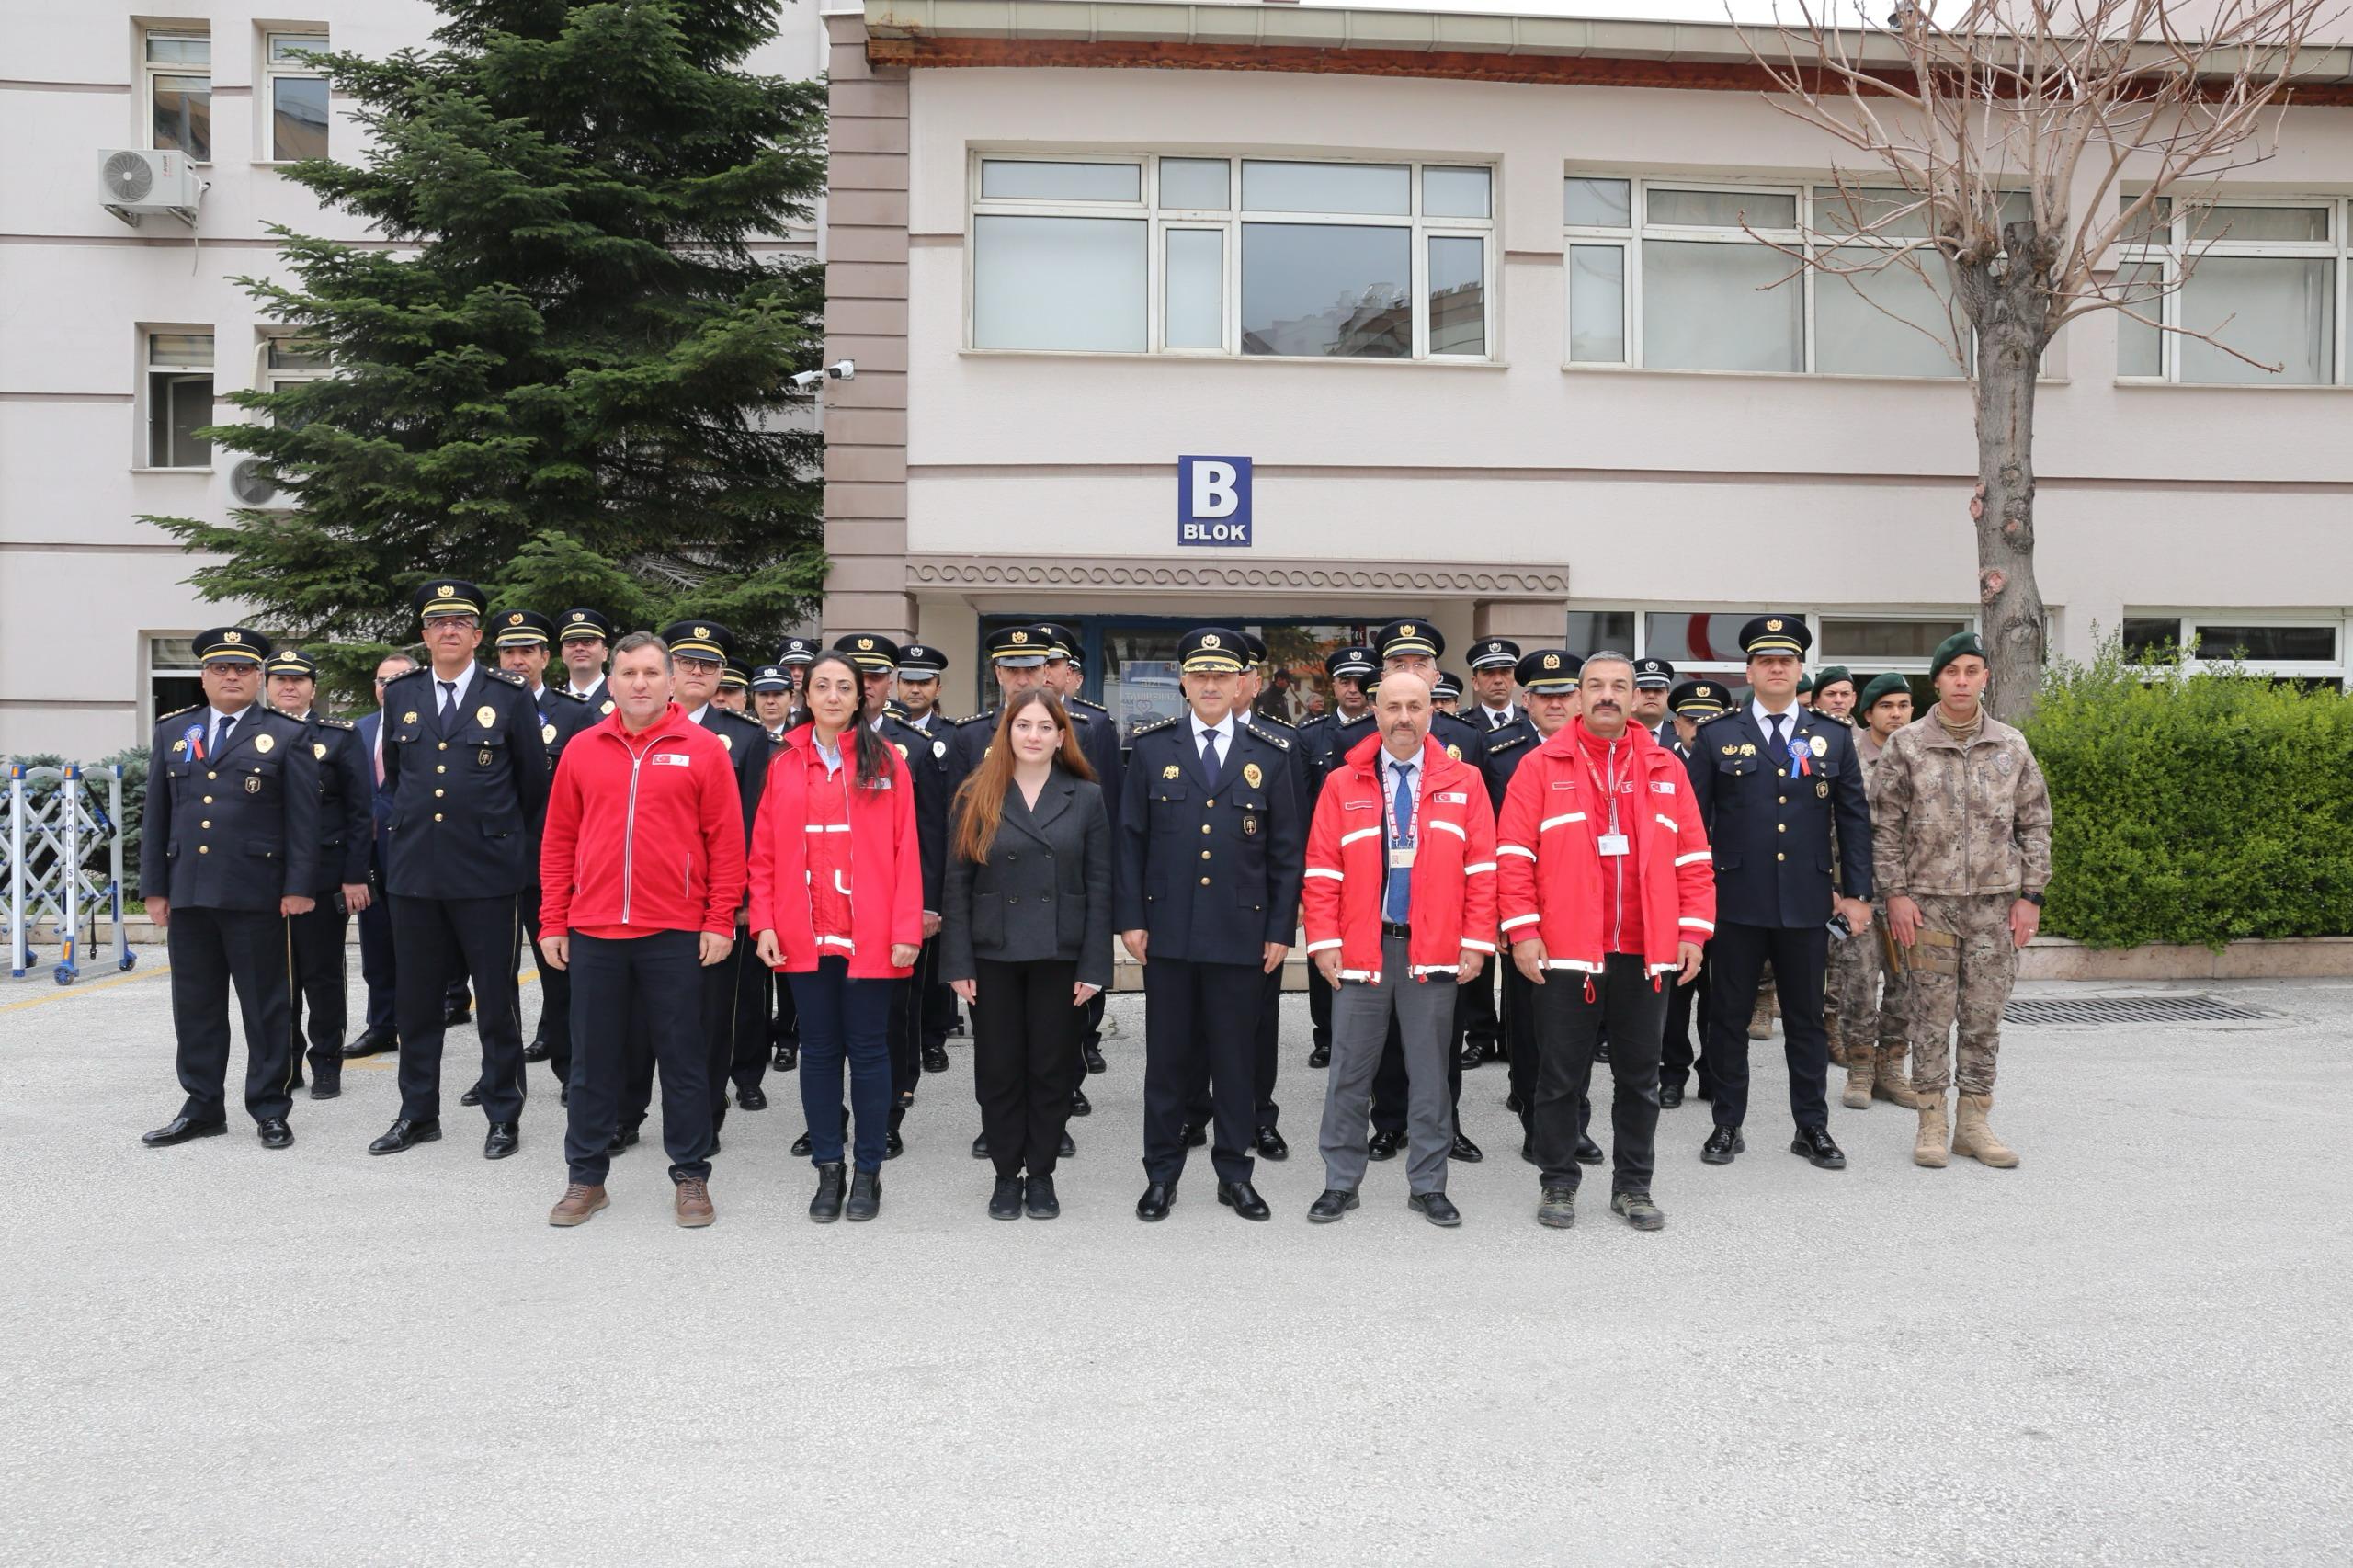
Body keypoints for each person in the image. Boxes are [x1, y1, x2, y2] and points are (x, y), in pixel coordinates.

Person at [1499, 653, 1716, 1232]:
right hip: (1567, 952)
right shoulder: (1539, 766)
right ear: (1577, 695)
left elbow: (1694, 861)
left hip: (1648, 954)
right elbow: (1514, 859)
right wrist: (1522, 931)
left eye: (1619, 686)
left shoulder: (1667, 768)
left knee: (1640, 1079)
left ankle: (1633, 1186)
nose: (1606, 696)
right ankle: (1558, 1182)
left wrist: (1693, 932)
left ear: (1635, 696)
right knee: (1560, 1076)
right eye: (1595, 686)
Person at [537, 631, 744, 1228]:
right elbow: (558, 842)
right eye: (629, 673)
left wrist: (718, 918)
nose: (641, 683)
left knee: (683, 1060)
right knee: (592, 1062)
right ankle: (586, 1179)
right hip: (596, 931)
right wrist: (554, 918)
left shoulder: (703, 749)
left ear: (672, 679)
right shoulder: (582, 748)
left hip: (675, 933)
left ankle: (691, 1176)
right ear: (612, 679)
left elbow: (726, 844)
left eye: (652, 673)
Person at [1119, 627, 1304, 1223]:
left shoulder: (1269, 757)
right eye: (1200, 674)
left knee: (1235, 1063)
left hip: (1242, 935)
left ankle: (1234, 1173)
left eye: (1221, 675)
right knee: (1167, 1063)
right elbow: (1130, 843)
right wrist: (1131, 919)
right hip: (1168, 933)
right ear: (1183, 681)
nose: (1210, 684)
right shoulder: (1149, 750)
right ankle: (1161, 1174)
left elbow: (1285, 854)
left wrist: (1281, 929)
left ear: (1240, 682)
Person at [1302, 671, 1495, 1226]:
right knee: (1348, 1073)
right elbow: (1321, 871)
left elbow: (1482, 870)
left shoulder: (1467, 782)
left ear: (1431, 711)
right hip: (1364, 948)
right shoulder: (1343, 782)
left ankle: (1429, 1185)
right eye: (1393, 707)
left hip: (1432, 950)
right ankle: (1341, 1182)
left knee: (1432, 1074)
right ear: (1376, 713)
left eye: (1415, 706)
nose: (1404, 717)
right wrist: (1324, 943)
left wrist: (1476, 943)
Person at [369, 582, 551, 1161]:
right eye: (437, 621)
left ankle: (503, 1114)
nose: (449, 630)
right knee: (417, 1003)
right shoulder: (403, 694)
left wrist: (500, 845)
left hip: (487, 876)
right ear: (425, 636)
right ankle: (417, 1113)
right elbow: (396, 779)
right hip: (416, 872)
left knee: (497, 1001)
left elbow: (531, 785)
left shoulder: (511, 694)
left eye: (460, 622)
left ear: (478, 636)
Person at [1688, 616, 1874, 1173]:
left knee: (1806, 1018)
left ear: (1799, 670)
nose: (1775, 668)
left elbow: (1855, 820)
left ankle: (1811, 1127)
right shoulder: (1718, 734)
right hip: (1736, 900)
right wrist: (1694, 898)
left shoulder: (1832, 735)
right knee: (1728, 1017)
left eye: (1786, 661)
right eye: (1765, 660)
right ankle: (1727, 1123)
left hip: (1805, 900)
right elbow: (1695, 824)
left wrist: (1858, 893)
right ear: (1749, 671)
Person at [750, 650, 925, 1222]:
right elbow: (765, 852)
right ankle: (829, 1168)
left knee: (871, 1054)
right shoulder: (782, 763)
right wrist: (766, 922)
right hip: (804, 930)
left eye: (843, 687)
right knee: (819, 1053)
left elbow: (906, 852)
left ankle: (869, 1172)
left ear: (860, 697)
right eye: (821, 686)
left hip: (870, 934)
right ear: (808, 696)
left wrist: (906, 929)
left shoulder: (888, 762)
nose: (831, 696)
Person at [1871, 634, 2052, 1169]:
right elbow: (1884, 827)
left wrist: (2032, 895)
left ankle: (1974, 1121)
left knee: (1983, 1016)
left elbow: (2035, 821)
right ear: (1937, 680)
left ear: (1985, 678)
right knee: (1929, 1016)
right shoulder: (1906, 745)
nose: (1962, 681)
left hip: (1996, 906)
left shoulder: (2011, 745)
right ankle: (1932, 1120)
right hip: (1928, 905)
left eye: (1972, 671)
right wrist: (1896, 895)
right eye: (1952, 672)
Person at [139, 628, 322, 1149]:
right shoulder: (175, 731)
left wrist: (299, 887)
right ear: (203, 677)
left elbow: (304, 822)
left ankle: (269, 1108)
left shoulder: (286, 734)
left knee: (266, 1007)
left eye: (242, 669)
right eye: (221, 668)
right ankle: (201, 1107)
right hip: (191, 891)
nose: (232, 676)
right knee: (195, 1006)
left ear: (258, 677)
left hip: (257, 893)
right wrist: (155, 887)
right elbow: (159, 815)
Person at [940, 689, 1113, 1220]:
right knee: (998, 1069)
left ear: (1062, 737)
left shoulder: (1085, 796)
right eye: (1023, 726)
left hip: (1059, 953)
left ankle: (1040, 1175)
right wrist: (958, 962)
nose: (1033, 736)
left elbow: (1101, 884)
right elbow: (957, 883)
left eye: (1044, 727)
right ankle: (1004, 1174)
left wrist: (1094, 966)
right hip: (993, 952)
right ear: (1007, 733)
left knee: (1051, 1068)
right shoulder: (977, 792)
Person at [1358, 620, 1489, 1162]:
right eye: (1397, 665)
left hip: (1441, 916)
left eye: (1420, 665)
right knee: (1384, 1029)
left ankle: (1444, 1121)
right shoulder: (1359, 746)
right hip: (1376, 913)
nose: (1409, 673)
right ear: (1382, 680)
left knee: (1442, 1029)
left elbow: (1485, 838)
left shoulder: (1466, 742)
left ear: (1435, 678)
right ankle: (1389, 1121)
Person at [831, 632, 949, 1160]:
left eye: (879, 676)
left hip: (887, 909)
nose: (870, 685)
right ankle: (829, 1114)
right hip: (824, 909)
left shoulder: (912, 748)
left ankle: (888, 1112)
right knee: (825, 1019)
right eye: (862, 675)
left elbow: (927, 837)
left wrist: (924, 907)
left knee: (892, 1016)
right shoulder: (799, 744)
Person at [1484, 650, 1603, 1165]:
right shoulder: (1496, 753)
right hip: (1523, 910)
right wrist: (1500, 914)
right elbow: (1486, 840)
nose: (1556, 703)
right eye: (1544, 694)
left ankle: (1575, 1117)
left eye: (1564, 694)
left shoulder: (1603, 750)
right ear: (1525, 698)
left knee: (1584, 1019)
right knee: (1530, 1022)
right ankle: (1537, 1118)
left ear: (1577, 697)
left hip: (1584, 909)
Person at [483, 611, 596, 1085]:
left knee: (561, 974)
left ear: (546, 658)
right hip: (488, 864)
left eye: (527, 651)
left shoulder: (573, 714)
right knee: (493, 978)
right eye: (509, 651)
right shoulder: (479, 706)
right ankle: (498, 1073)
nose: (518, 660)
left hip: (551, 865)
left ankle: (571, 1069)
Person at [262, 649, 370, 1100]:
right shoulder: (252, 736)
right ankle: (285, 1063)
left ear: (314, 688)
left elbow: (360, 814)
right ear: (267, 685)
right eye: (281, 679)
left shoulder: (339, 738)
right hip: (264, 876)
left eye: (299, 679)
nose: (289, 686)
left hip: (324, 874)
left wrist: (354, 876)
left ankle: (327, 1061)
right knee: (273, 977)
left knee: (322, 973)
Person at [1038, 621, 1125, 1086]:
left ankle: (1086, 1039)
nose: (1046, 674)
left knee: (1084, 959)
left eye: (1053, 664)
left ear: (1073, 675)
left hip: (1078, 864)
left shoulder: (1095, 724)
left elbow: (1108, 800)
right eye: (1041, 664)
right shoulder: (1007, 727)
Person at [1296, 643, 1375, 1071]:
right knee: (1323, 946)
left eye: (1362, 683)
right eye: (1345, 681)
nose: (1354, 690)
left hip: (1372, 855)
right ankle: (1325, 1034)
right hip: (1325, 855)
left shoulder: (1384, 731)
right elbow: (1300, 804)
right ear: (1333, 685)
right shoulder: (1310, 735)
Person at [1658, 677, 1733, 1108]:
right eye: (1690, 721)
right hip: (1675, 891)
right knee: (1676, 992)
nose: (1698, 730)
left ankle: (1712, 1072)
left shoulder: (1734, 762)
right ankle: (1672, 1073)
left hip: (1725, 888)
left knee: (1719, 993)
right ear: (1677, 723)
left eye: (1709, 722)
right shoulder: (1663, 766)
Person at [343, 653, 416, 1062]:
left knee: (418, 944)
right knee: (376, 943)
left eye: (397, 679)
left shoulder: (426, 727)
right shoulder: (358, 730)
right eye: (381, 680)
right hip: (369, 853)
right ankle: (381, 1024)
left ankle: (420, 1022)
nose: (387, 687)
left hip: (414, 853)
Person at [892, 641, 961, 1074]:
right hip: (898, 857)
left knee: (936, 957)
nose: (915, 689)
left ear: (938, 687)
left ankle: (935, 1037)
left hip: (939, 856)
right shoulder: (883, 733)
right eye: (908, 681)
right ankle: (909, 1038)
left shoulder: (952, 735)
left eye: (923, 682)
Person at [557, 608, 614, 710]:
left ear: (604, 653)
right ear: (563, 655)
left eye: (588, 642)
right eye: (571, 642)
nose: (579, 648)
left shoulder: (621, 697)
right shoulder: (551, 703)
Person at [1467, 638, 1521, 732]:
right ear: (1475, 682)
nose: (1498, 680)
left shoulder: (1532, 720)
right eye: (1489, 673)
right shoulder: (1464, 725)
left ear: (1515, 679)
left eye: (1505, 672)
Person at [1631, 657, 1676, 744]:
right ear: (1632, 696)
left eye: (1658, 690)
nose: (1651, 696)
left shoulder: (1683, 737)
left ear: (1668, 697)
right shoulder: (1615, 735)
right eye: (1643, 690)